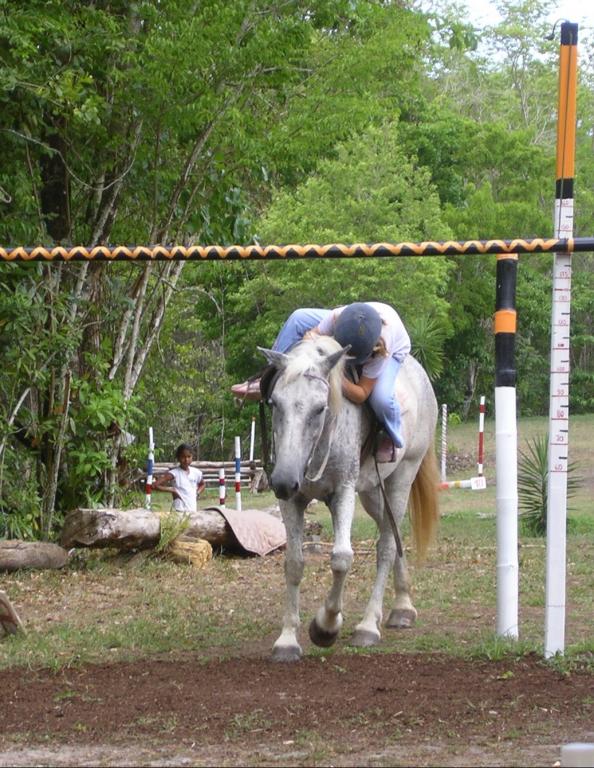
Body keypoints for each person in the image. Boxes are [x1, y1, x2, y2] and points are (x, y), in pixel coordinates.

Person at [231, 301, 411, 462]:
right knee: (298, 318)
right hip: (359, 321)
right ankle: (268, 375)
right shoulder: (337, 318)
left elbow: (361, 394)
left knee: (382, 399)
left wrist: (334, 375)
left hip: (394, 346)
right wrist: (309, 362)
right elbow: (310, 335)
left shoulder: (382, 347)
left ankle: (392, 435)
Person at [153, 443, 206, 513]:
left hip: (192, 511)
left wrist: (197, 493)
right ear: (178, 458)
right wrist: (172, 490)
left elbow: (203, 484)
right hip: (179, 511)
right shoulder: (174, 473)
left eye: (189, 456)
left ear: (192, 457)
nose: (186, 460)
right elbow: (155, 485)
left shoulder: (196, 472)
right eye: (183, 457)